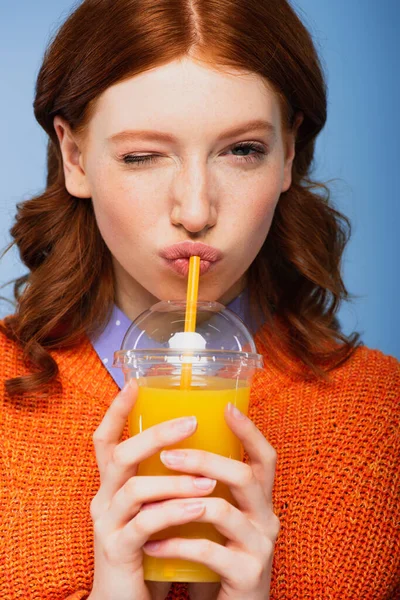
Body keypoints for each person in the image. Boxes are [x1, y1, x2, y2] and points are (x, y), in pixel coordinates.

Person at [1, 0, 399, 598]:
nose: (195, 211)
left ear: (289, 153)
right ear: (74, 157)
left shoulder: (381, 416)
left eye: (242, 151)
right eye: (141, 156)